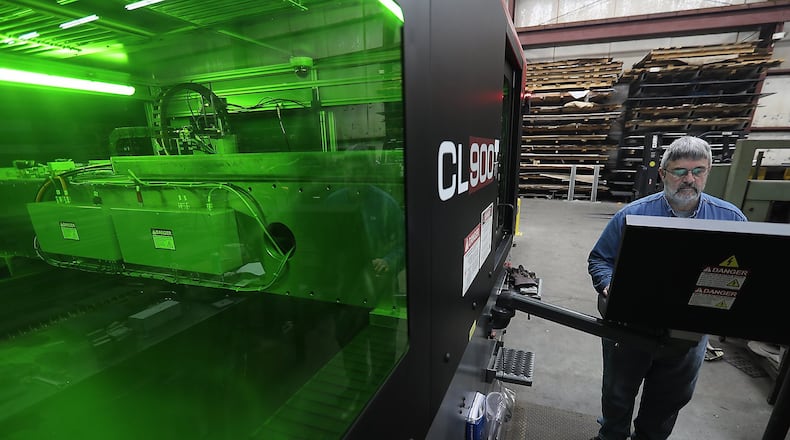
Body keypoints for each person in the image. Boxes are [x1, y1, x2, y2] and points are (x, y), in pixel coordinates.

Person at [587, 136, 748, 440]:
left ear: (708, 172)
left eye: (698, 171)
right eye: (680, 171)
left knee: (669, 399)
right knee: (618, 393)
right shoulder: (632, 215)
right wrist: (608, 285)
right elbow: (600, 259)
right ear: (663, 174)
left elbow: (744, 274)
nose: (689, 179)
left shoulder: (731, 219)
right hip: (632, 325)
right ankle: (611, 435)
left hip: (690, 330)